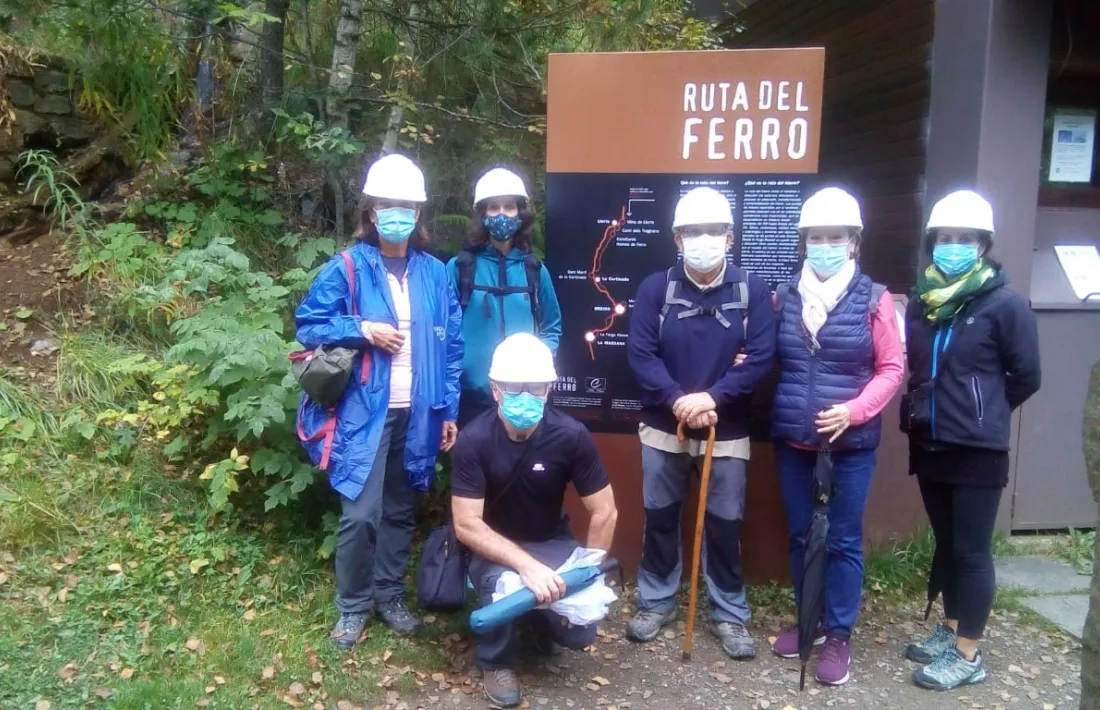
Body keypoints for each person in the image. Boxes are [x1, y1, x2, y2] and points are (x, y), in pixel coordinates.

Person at [295, 153, 463, 647]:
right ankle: (352, 607)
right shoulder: (348, 267)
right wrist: (363, 329)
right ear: (371, 211)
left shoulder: (435, 273)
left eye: (406, 206)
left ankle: (389, 596)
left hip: (418, 412)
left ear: (418, 213)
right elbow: (308, 325)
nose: (396, 214)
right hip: (363, 413)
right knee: (360, 515)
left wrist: (448, 410)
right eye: (387, 205)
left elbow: (452, 346)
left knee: (400, 510)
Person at [625, 186, 776, 659]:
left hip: (725, 430)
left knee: (724, 524)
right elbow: (641, 355)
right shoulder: (656, 289)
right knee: (661, 517)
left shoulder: (751, 291)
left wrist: (712, 398)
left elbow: (761, 357)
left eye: (713, 231)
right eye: (693, 231)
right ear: (677, 238)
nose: (703, 239)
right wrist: (678, 402)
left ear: (730, 237)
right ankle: (656, 602)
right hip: (664, 427)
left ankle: (729, 613)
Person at [901, 189, 1040, 691]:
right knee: (947, 543)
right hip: (930, 441)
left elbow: (1027, 376)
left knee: (973, 551)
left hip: (978, 450)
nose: (953, 245)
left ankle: (968, 654)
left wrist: (984, 414)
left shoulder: (1006, 305)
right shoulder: (923, 304)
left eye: (964, 238)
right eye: (944, 237)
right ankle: (952, 626)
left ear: (982, 245)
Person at [768, 187, 904, 685]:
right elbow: (770, 355)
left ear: (853, 242)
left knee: (843, 540)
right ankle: (811, 623)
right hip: (794, 441)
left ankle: (839, 635)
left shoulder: (873, 299)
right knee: (802, 536)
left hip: (850, 446)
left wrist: (854, 410)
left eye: (835, 237)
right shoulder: (784, 296)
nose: (825, 245)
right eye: (816, 237)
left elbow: (892, 368)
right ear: (804, 242)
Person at [451, 333, 618, 708]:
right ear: (495, 389)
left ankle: (541, 622)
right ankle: (496, 662)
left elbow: (605, 511)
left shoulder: (571, 436)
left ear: (549, 389)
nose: (526, 396)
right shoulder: (474, 440)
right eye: (514, 387)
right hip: (492, 544)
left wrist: (586, 571)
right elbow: (466, 524)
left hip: (550, 539)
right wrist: (527, 567)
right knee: (501, 584)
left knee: (579, 633)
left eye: (536, 387)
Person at [447, 168, 563, 426]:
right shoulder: (460, 268)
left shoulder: (534, 270)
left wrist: (538, 363)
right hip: (470, 397)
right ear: (483, 214)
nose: (502, 214)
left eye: (509, 207)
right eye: (494, 207)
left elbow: (551, 327)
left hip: (522, 398)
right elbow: (444, 331)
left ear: (520, 214)